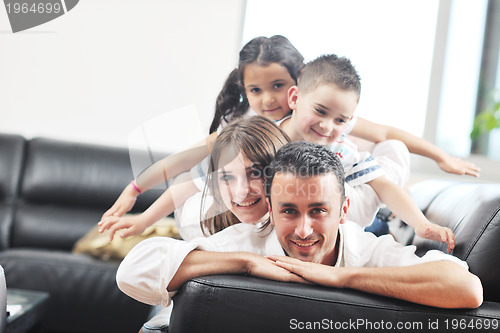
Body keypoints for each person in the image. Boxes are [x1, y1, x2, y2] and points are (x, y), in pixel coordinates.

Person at [99, 36, 480, 241]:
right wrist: (137, 195)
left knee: (389, 154)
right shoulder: (259, 137)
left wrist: (439, 162)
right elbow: (184, 171)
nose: (268, 100)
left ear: (293, 89)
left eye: (277, 87)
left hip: (337, 210)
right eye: (256, 90)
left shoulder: (335, 134)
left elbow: (386, 142)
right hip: (277, 215)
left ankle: (386, 225)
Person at [116, 141, 483, 310]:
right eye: (289, 211)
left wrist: (343, 279)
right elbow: (132, 273)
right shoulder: (248, 242)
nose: (304, 230)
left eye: (319, 211)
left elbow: (466, 289)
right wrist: (246, 263)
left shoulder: (367, 251)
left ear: (344, 210)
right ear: (271, 210)